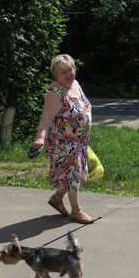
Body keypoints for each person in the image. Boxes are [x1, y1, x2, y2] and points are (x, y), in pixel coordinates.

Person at [31, 54, 95, 224]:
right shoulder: (55, 92)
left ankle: (57, 198)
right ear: (55, 75)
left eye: (70, 69)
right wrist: (40, 137)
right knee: (73, 175)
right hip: (64, 143)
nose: (68, 74)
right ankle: (76, 211)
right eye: (63, 72)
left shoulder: (75, 84)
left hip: (79, 142)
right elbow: (46, 117)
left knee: (71, 174)